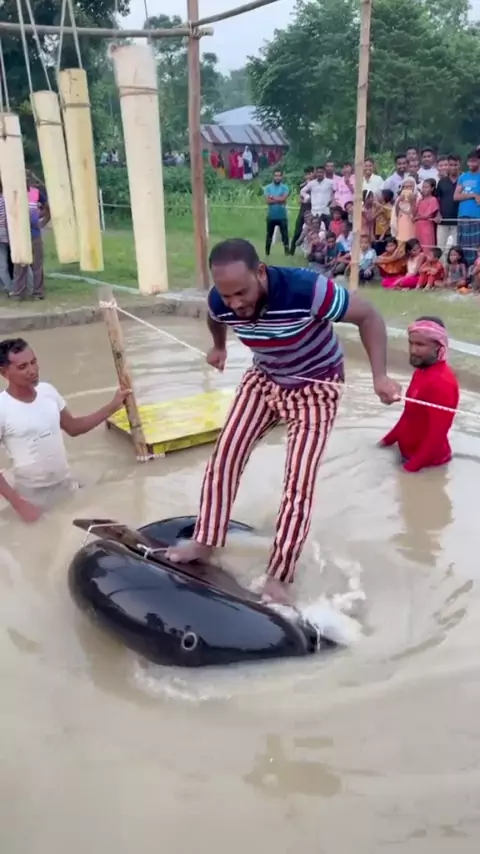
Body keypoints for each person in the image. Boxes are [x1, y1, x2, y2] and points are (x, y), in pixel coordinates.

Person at [165, 238, 401, 601]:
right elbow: (216, 316)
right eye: (227, 296)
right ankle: (205, 540)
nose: (236, 304)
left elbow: (368, 315)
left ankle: (279, 576)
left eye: (242, 293)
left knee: (298, 483)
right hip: (264, 377)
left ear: (260, 272)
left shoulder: (308, 290)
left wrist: (380, 376)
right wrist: (219, 346)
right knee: (225, 455)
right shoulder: (220, 301)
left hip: (316, 385)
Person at [0, 338, 130, 522]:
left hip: (65, 485)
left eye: (34, 362)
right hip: (31, 495)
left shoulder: (48, 392)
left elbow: (74, 427)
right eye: (23, 367)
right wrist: (20, 505)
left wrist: (113, 406)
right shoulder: (3, 407)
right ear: (4, 372)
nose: (32, 370)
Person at [380, 317, 459, 473]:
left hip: (428, 465)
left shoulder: (443, 383)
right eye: (411, 343)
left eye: (420, 345)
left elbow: (436, 436)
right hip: (407, 456)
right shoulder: (421, 372)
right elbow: (409, 416)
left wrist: (409, 470)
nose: (413, 350)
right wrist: (385, 442)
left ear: (439, 346)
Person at [10, 176, 50, 301]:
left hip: (34, 234)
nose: (25, 181)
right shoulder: (14, 193)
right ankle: (19, 292)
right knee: (20, 264)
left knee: (37, 265)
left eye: (26, 179)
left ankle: (38, 293)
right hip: (19, 235)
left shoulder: (35, 193)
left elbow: (48, 207)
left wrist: (42, 220)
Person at [454, 149, 480, 266]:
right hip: (463, 215)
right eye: (469, 161)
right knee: (464, 246)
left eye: (473, 161)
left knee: (476, 246)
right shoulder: (463, 177)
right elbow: (456, 196)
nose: (470, 164)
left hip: (477, 216)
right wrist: (473, 195)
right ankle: (465, 270)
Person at [436, 154, 460, 256]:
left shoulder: (463, 180)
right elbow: (437, 199)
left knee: (455, 249)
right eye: (450, 165)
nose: (453, 167)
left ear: (459, 165)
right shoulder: (442, 182)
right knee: (440, 248)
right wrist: (437, 213)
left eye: (455, 165)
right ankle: (440, 266)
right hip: (443, 220)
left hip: (458, 221)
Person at [264, 169, 289, 257]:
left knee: (285, 236)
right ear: (273, 176)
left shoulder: (285, 187)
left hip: (282, 216)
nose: (277, 177)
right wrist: (279, 199)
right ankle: (267, 253)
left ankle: (287, 253)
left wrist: (272, 197)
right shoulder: (267, 188)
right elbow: (268, 201)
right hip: (271, 216)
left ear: (281, 177)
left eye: (279, 176)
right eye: (276, 175)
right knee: (269, 235)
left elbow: (284, 199)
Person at [290, 166, 314, 255]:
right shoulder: (302, 185)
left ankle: (311, 251)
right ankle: (291, 251)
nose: (309, 175)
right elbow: (299, 200)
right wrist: (305, 200)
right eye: (307, 174)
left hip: (313, 209)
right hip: (303, 209)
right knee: (298, 230)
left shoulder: (316, 185)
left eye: (310, 173)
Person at [414, 178, 439, 255]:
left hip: (427, 226)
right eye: (423, 187)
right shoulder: (420, 200)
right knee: (418, 246)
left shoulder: (433, 199)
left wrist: (417, 218)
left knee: (427, 246)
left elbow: (428, 214)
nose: (424, 189)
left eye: (426, 187)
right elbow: (415, 212)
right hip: (418, 226)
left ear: (432, 188)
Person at [392, 176, 418, 246]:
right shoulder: (399, 197)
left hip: (412, 222)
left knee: (411, 242)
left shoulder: (418, 197)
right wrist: (399, 201)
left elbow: (414, 214)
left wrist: (411, 201)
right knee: (401, 242)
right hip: (401, 221)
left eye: (410, 186)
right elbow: (396, 213)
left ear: (414, 187)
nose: (408, 189)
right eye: (405, 187)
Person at [373, 188, 394, 255]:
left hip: (385, 233)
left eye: (381, 195)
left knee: (381, 251)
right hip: (378, 232)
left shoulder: (388, 207)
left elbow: (390, 222)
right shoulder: (381, 206)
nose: (378, 196)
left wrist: (383, 234)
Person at [0, 181, 12, 295]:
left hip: (3, 236)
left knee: (3, 265)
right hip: (5, 235)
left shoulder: (3, 200)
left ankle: (10, 287)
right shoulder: (5, 199)